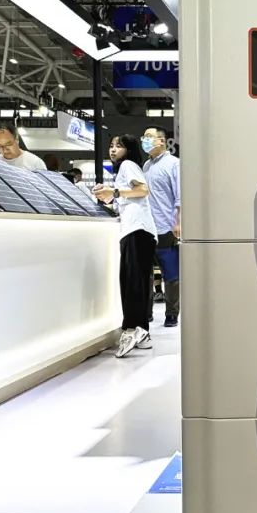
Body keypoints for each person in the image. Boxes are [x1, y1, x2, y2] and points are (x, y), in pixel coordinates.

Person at [93, 135, 158, 358]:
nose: (113, 149)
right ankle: (142, 332)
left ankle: (131, 329)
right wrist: (111, 196)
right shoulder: (125, 169)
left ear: (128, 149)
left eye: (118, 146)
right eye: (111, 146)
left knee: (131, 283)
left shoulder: (128, 165)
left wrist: (115, 192)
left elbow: (143, 190)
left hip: (137, 230)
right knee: (137, 282)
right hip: (139, 231)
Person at [141, 127, 181, 328]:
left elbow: (180, 196)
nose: (145, 140)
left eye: (149, 137)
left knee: (171, 274)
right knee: (145, 274)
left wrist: (178, 222)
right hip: (147, 227)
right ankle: (146, 313)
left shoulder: (174, 164)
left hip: (167, 227)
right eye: (144, 137)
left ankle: (172, 313)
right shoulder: (146, 165)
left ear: (162, 141)